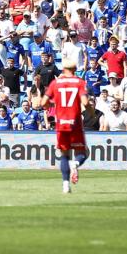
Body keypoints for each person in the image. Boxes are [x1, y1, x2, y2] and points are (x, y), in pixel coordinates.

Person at [39, 59, 89, 194]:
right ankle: (76, 164)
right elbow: (85, 101)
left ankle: (66, 185)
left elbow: (43, 103)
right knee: (82, 153)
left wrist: (54, 104)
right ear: (75, 70)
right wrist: (90, 110)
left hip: (61, 124)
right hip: (75, 123)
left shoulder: (55, 83)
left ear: (62, 69)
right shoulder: (79, 82)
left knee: (64, 155)